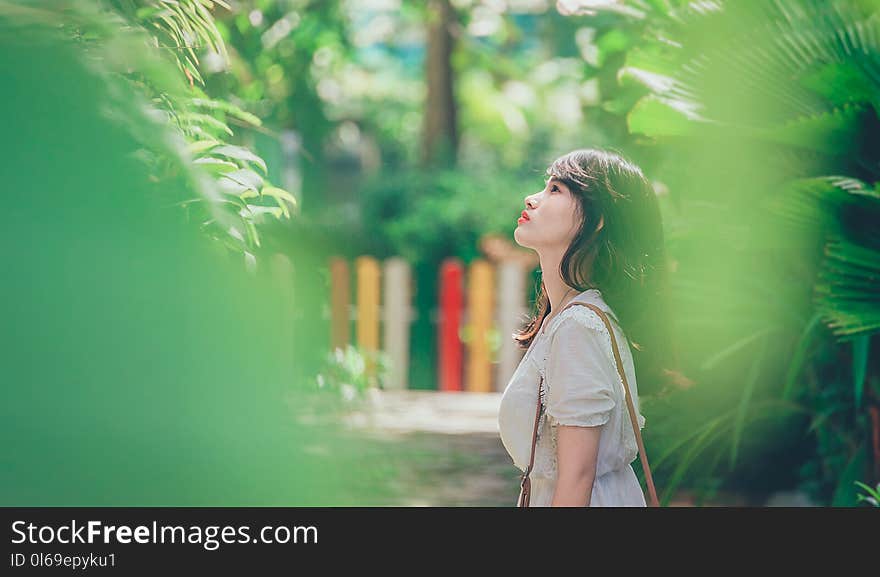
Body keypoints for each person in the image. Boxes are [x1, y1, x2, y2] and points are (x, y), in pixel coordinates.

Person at [498, 148, 684, 507]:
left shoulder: (578, 326)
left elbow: (576, 478)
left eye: (556, 189)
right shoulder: (567, 317)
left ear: (597, 221)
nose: (532, 198)